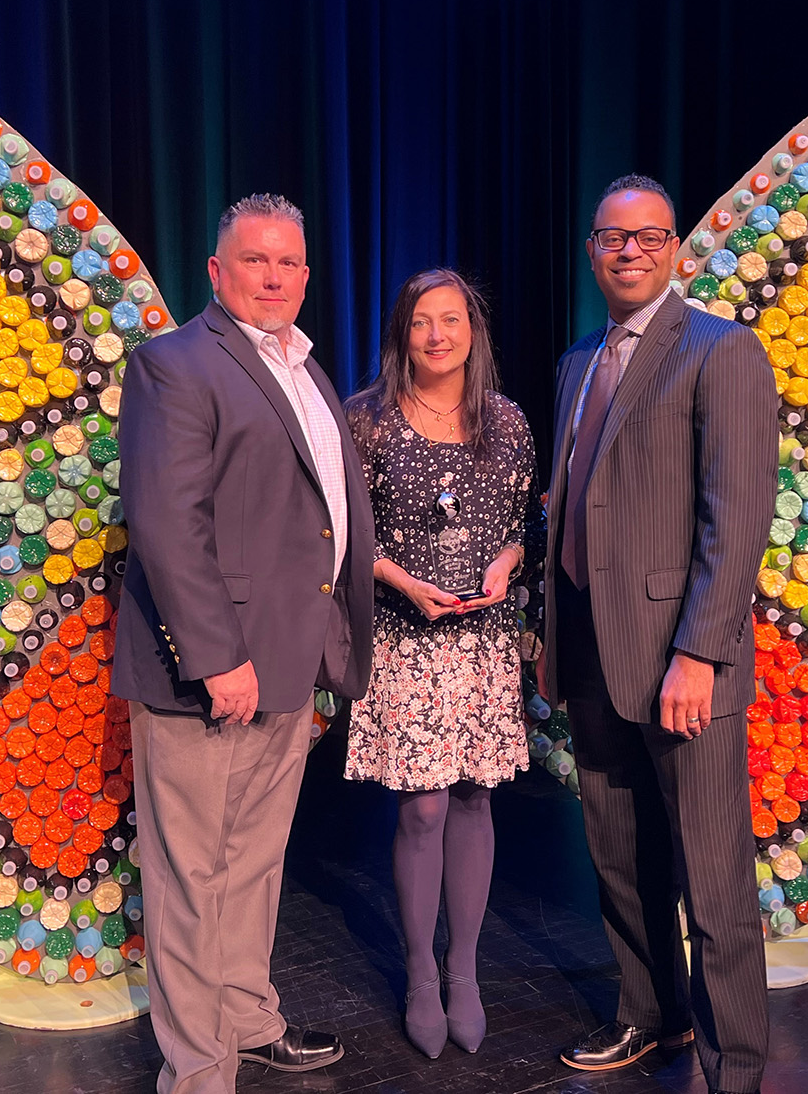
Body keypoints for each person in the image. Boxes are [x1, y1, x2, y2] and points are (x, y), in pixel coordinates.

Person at [115, 193, 375, 1094]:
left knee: (256, 864)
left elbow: (319, 521)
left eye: (288, 262)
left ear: (306, 275)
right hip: (212, 671)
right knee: (193, 876)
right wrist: (217, 654)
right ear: (217, 270)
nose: (273, 275)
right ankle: (198, 1071)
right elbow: (164, 520)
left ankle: (248, 1021)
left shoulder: (305, 369)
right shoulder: (175, 363)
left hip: (290, 664)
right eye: (254, 260)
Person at [542, 175, 777, 1094]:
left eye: (648, 236)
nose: (629, 250)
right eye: (612, 238)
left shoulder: (720, 351)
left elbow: (738, 517)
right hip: (594, 655)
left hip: (684, 664)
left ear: (674, 247)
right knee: (620, 857)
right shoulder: (576, 362)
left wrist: (699, 654)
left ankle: (737, 1071)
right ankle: (654, 1019)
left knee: (713, 880)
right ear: (592, 251)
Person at [343, 268, 537, 1059]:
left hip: (483, 642)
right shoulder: (368, 421)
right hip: (406, 638)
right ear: (403, 331)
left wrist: (508, 563)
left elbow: (528, 522)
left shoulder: (508, 421)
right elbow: (347, 535)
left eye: (450, 320)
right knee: (421, 807)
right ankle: (421, 970)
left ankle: (466, 970)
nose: (436, 335)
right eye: (422, 321)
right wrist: (400, 581)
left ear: (473, 330)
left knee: (473, 800)